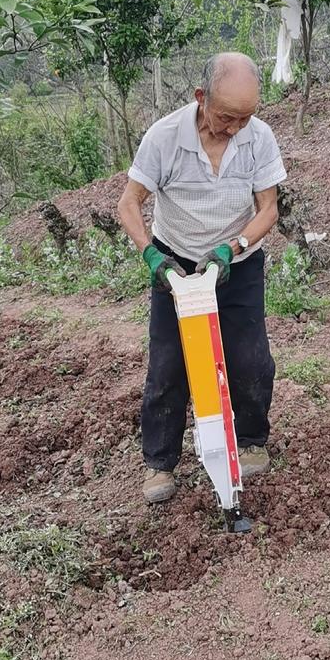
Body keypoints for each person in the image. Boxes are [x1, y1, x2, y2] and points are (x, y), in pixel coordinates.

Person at [117, 51, 287, 502]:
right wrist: (153, 257)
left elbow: (267, 208)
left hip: (236, 260)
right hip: (174, 263)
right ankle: (159, 463)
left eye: (244, 118)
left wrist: (233, 249)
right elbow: (128, 203)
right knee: (169, 364)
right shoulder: (165, 137)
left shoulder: (259, 138)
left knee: (250, 358)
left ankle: (250, 440)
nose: (234, 128)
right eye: (226, 116)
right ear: (200, 98)